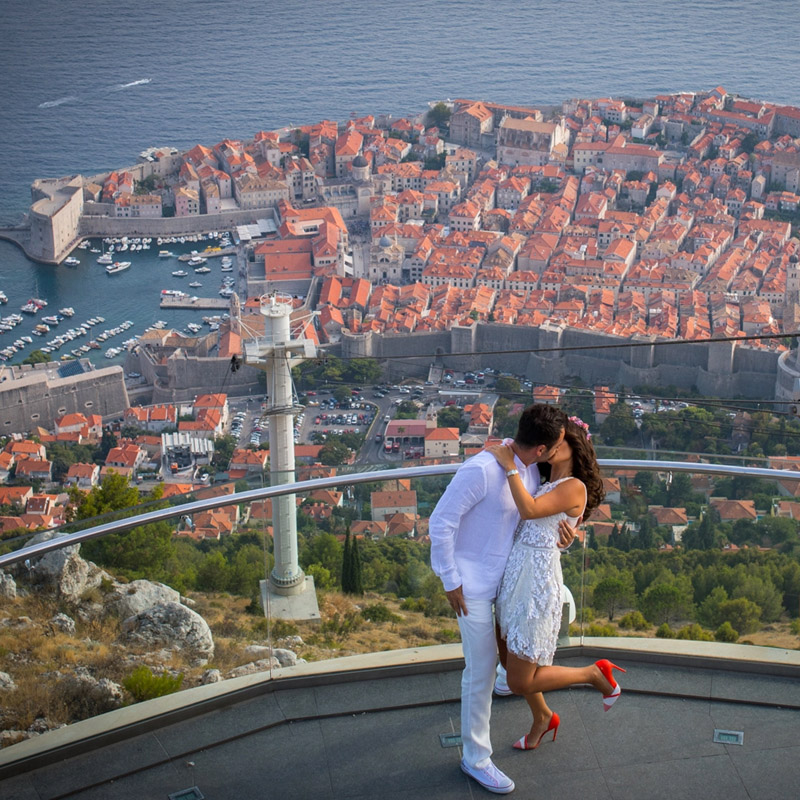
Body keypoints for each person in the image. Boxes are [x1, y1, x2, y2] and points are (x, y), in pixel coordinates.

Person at [429, 404, 576, 795]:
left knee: (500, 661)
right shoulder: (481, 469)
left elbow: (536, 518)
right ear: (544, 447)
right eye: (560, 442)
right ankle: (475, 759)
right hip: (472, 589)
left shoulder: (528, 470)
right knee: (477, 673)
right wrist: (450, 579)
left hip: (507, 584)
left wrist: (566, 534)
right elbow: (440, 523)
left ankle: (504, 683)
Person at [486, 417, 624, 752]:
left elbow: (531, 511)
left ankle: (594, 675)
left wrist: (508, 467)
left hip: (535, 583)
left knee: (519, 679)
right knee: (508, 660)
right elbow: (550, 530)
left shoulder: (575, 486)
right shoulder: (544, 478)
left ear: (573, 445)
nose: (548, 446)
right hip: (516, 575)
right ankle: (543, 717)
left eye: (557, 441)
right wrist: (566, 540)